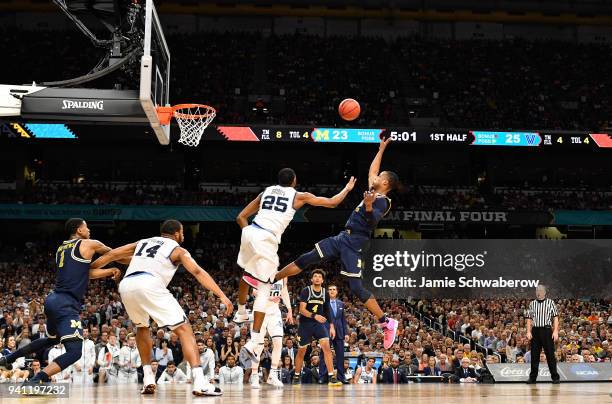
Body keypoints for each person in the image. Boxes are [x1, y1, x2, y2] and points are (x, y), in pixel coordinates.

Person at [275, 138, 399, 349]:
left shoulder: (382, 201)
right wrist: (381, 149)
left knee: (356, 288)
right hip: (343, 237)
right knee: (307, 257)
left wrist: (368, 206)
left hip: (356, 243)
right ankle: (272, 277)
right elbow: (372, 170)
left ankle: (386, 322)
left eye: (380, 177)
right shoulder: (373, 188)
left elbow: (372, 222)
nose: (375, 177)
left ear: (385, 183)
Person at [90, 219, 233, 396]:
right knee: (185, 330)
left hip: (127, 285)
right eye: (182, 233)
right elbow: (197, 272)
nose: (183, 235)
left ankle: (149, 378)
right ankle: (200, 382)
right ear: (177, 233)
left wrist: (90, 269)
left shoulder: (143, 243)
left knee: (142, 327)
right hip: (149, 283)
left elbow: (113, 254)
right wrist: (222, 295)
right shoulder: (177, 249)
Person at [234, 168, 355, 362]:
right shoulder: (299, 196)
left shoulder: (265, 192)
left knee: (247, 275)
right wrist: (347, 189)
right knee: (268, 284)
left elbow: (240, 217)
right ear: (294, 181)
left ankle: (240, 312)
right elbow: (333, 202)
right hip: (266, 238)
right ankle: (254, 342)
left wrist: (251, 236)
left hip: (250, 231)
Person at [0, 218, 121, 384]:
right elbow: (114, 253)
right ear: (79, 230)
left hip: (53, 300)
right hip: (66, 304)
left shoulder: (61, 249)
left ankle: (9, 358)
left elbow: (86, 273)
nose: (89, 230)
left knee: (52, 340)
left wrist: (110, 270)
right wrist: (129, 259)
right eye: (86, 227)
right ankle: (36, 380)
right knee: (75, 352)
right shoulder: (89, 244)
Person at [291, 270, 342, 386]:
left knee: (327, 348)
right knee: (301, 351)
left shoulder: (325, 293)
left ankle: (331, 377)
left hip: (319, 324)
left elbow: (327, 310)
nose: (317, 278)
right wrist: (315, 316)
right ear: (311, 279)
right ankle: (296, 376)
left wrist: (331, 326)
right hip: (306, 324)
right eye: (315, 276)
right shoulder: (306, 291)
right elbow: (301, 310)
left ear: (322, 280)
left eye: (320, 276)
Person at [247, 275, 293, 388]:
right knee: (258, 346)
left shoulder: (283, 276)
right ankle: (254, 376)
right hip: (260, 312)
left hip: (274, 313)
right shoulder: (259, 274)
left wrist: (290, 309)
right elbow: (254, 292)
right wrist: (269, 298)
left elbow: (284, 292)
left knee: (278, 342)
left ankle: (272, 374)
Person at [526, 284, 560, 384]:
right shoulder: (532, 303)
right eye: (537, 290)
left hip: (546, 330)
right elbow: (529, 318)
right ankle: (532, 378)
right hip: (535, 331)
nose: (538, 292)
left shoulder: (551, 302)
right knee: (534, 355)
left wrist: (555, 331)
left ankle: (555, 377)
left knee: (550, 355)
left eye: (540, 290)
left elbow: (555, 317)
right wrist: (528, 331)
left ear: (545, 292)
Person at [318, 284, 349, 384]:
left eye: (334, 289)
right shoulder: (323, 303)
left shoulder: (341, 303)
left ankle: (341, 377)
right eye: (330, 289)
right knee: (324, 354)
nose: (332, 291)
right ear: (327, 292)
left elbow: (343, 319)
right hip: (326, 331)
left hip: (339, 332)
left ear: (337, 291)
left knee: (340, 355)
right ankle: (323, 377)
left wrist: (346, 333)